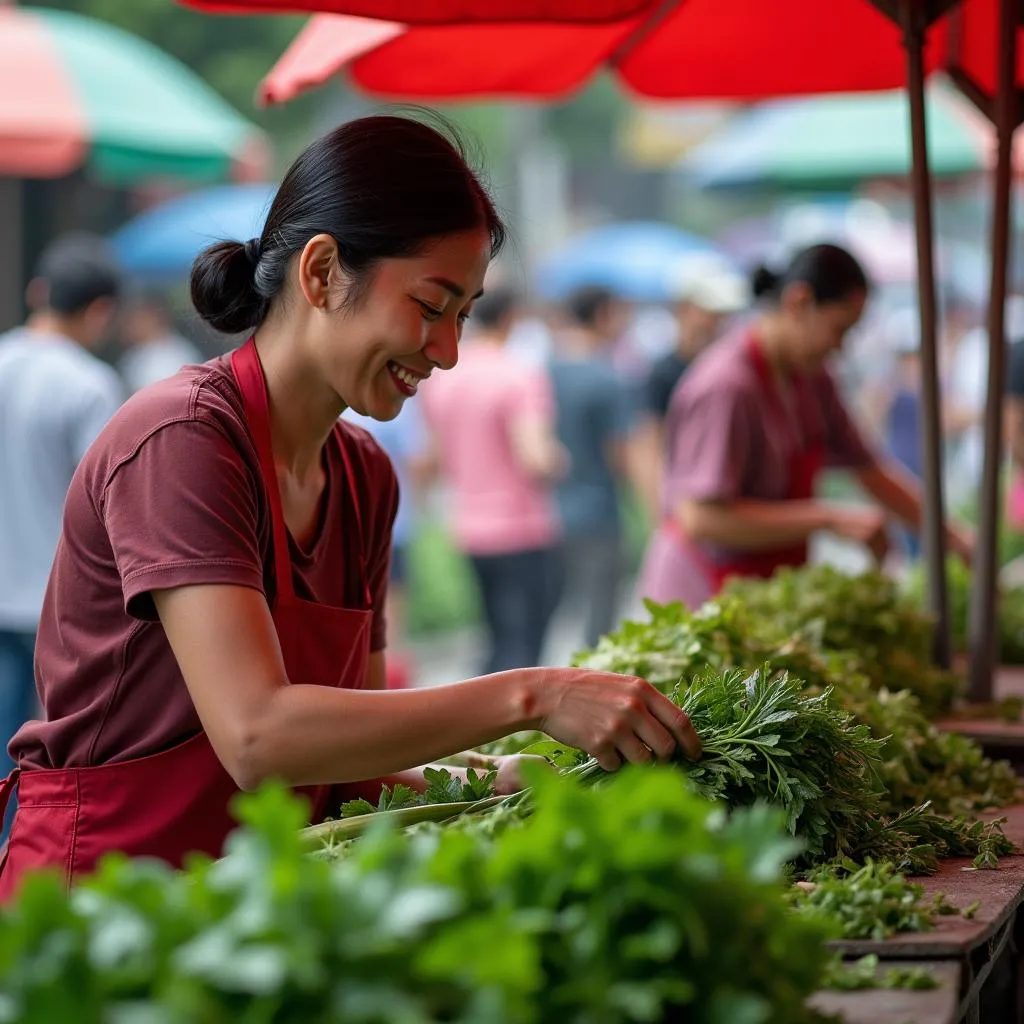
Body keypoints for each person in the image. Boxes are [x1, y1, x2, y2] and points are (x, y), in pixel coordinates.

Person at [0, 115, 700, 900]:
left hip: (249, 911)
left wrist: (490, 781)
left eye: (465, 314)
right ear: (323, 271)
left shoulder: (366, 477)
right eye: (432, 305)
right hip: (99, 905)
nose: (447, 351)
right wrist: (535, 696)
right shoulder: (183, 441)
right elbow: (261, 736)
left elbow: (348, 760)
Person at [636, 243, 973, 610]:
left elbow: (870, 470)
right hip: (701, 592)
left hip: (758, 588)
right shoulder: (726, 386)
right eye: (839, 329)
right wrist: (828, 518)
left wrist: (952, 538)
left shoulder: (814, 380)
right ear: (799, 302)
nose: (840, 346)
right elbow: (702, 518)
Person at [0, 235, 123, 837]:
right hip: (55, 603)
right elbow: (107, 501)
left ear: (37, 293)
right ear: (99, 310)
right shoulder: (90, 384)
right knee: (54, 757)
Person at [420, 286, 566, 674]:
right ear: (512, 318)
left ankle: (487, 724)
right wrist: (560, 461)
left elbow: (433, 458)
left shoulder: (443, 379)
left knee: (498, 635)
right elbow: (535, 457)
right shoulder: (517, 374)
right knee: (524, 644)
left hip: (469, 529)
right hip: (520, 529)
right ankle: (514, 730)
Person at [548, 287, 635, 648]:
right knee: (599, 625)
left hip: (549, 514)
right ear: (602, 315)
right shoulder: (607, 378)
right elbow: (621, 455)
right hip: (598, 514)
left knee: (553, 613)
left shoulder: (543, 369)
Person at [634, 261, 749, 518]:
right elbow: (651, 446)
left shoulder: (734, 371)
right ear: (683, 309)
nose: (718, 322)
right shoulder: (662, 374)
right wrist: (661, 512)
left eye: (724, 314)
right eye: (711, 312)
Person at [342, 397, 429, 686]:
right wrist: (417, 505)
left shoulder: (334, 406)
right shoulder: (397, 403)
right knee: (390, 627)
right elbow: (418, 460)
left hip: (347, 532)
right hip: (393, 531)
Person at [118, 287, 203, 394]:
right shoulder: (134, 354)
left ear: (155, 317)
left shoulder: (177, 356)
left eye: (136, 316)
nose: (129, 323)